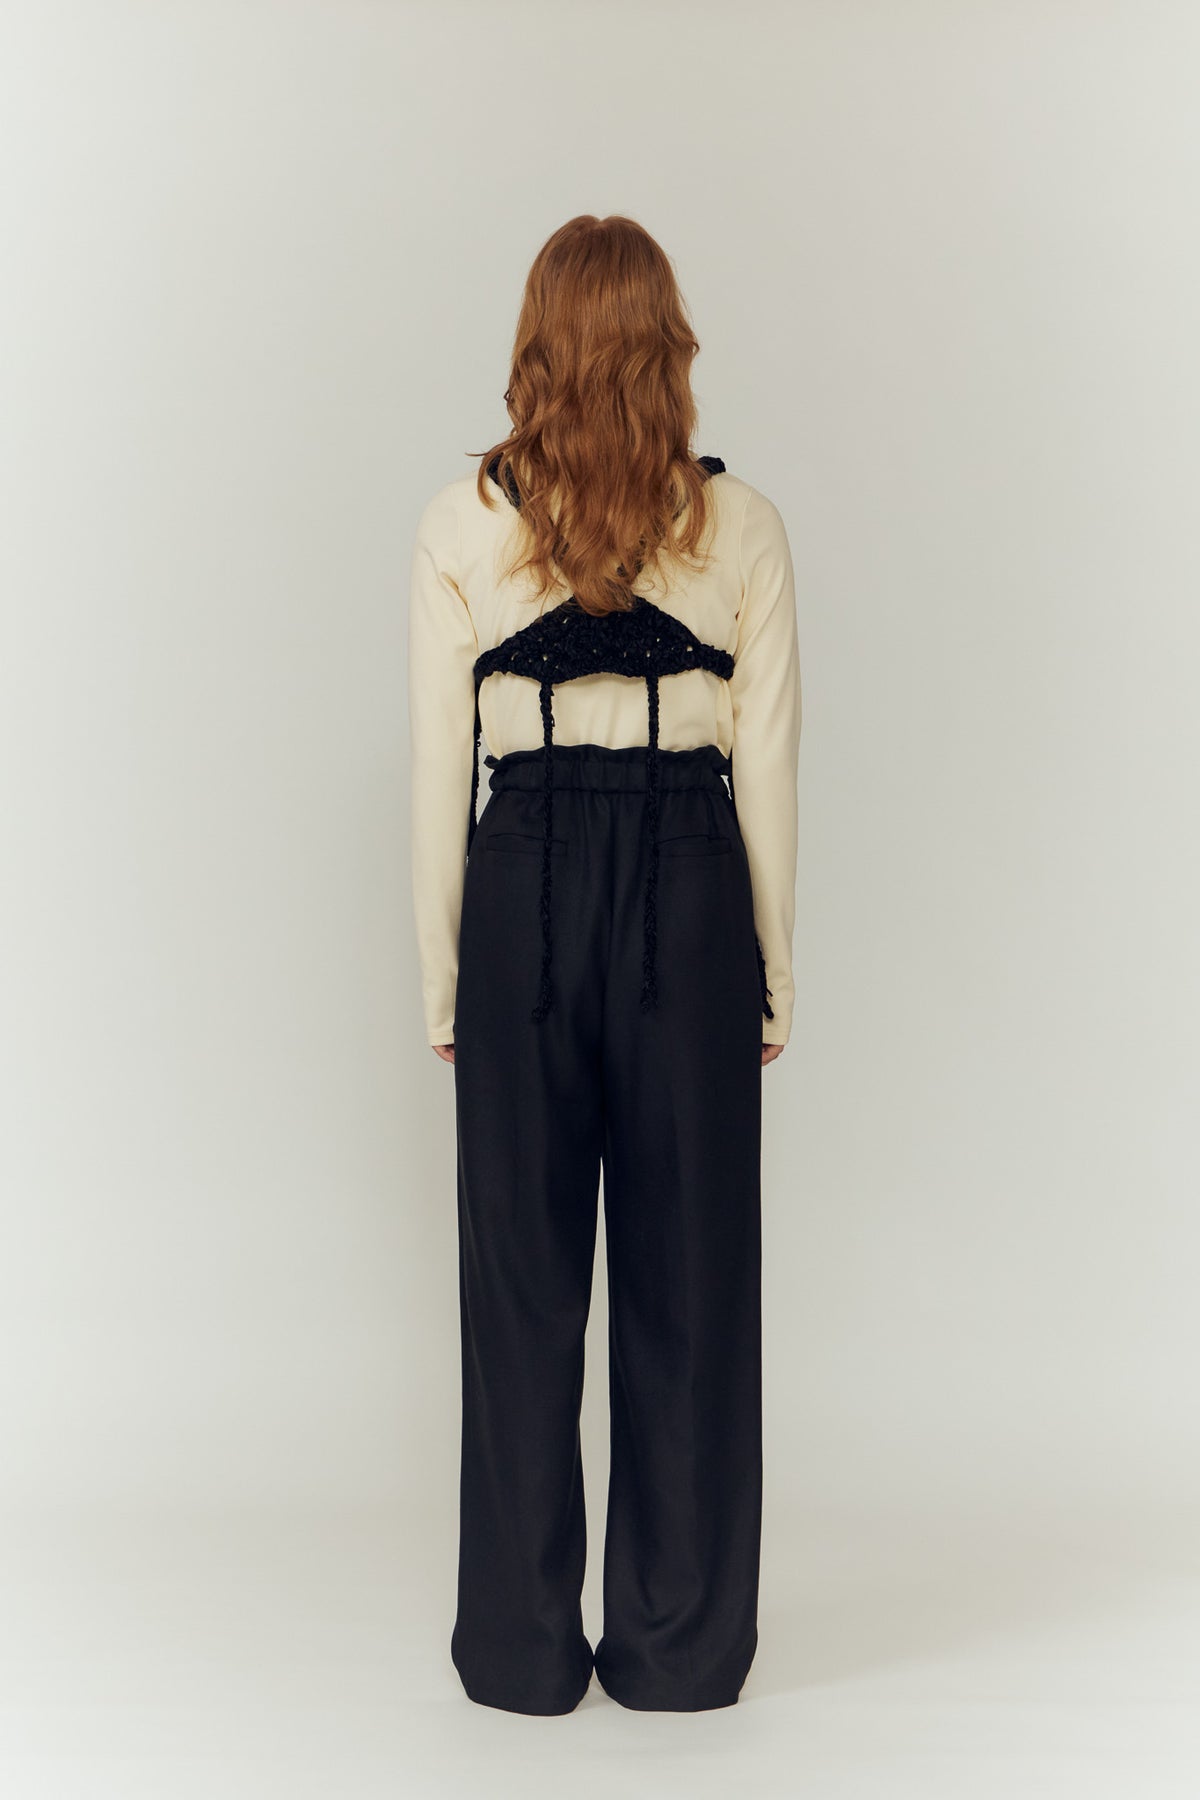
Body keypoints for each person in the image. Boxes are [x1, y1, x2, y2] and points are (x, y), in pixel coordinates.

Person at [407, 214, 802, 1716]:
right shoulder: (741, 526)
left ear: (537, 346)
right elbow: (767, 766)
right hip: (688, 887)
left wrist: (442, 976)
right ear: (668, 347)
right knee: (688, 1278)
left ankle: (519, 1651)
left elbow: (442, 767)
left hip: (521, 889)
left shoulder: (462, 525)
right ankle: (680, 1646)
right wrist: (771, 971)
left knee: (518, 1279)